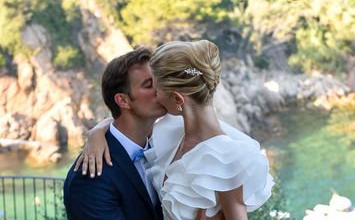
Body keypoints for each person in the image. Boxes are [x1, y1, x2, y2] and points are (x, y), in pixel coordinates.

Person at [77, 40, 273, 220]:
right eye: (150, 86)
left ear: (178, 99)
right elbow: (123, 120)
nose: (156, 95)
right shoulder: (169, 132)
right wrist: (96, 132)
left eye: (158, 88)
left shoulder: (227, 157)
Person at [63, 48, 166, 220]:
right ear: (123, 100)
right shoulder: (91, 174)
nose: (160, 90)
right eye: (149, 85)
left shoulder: (165, 144)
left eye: (160, 81)